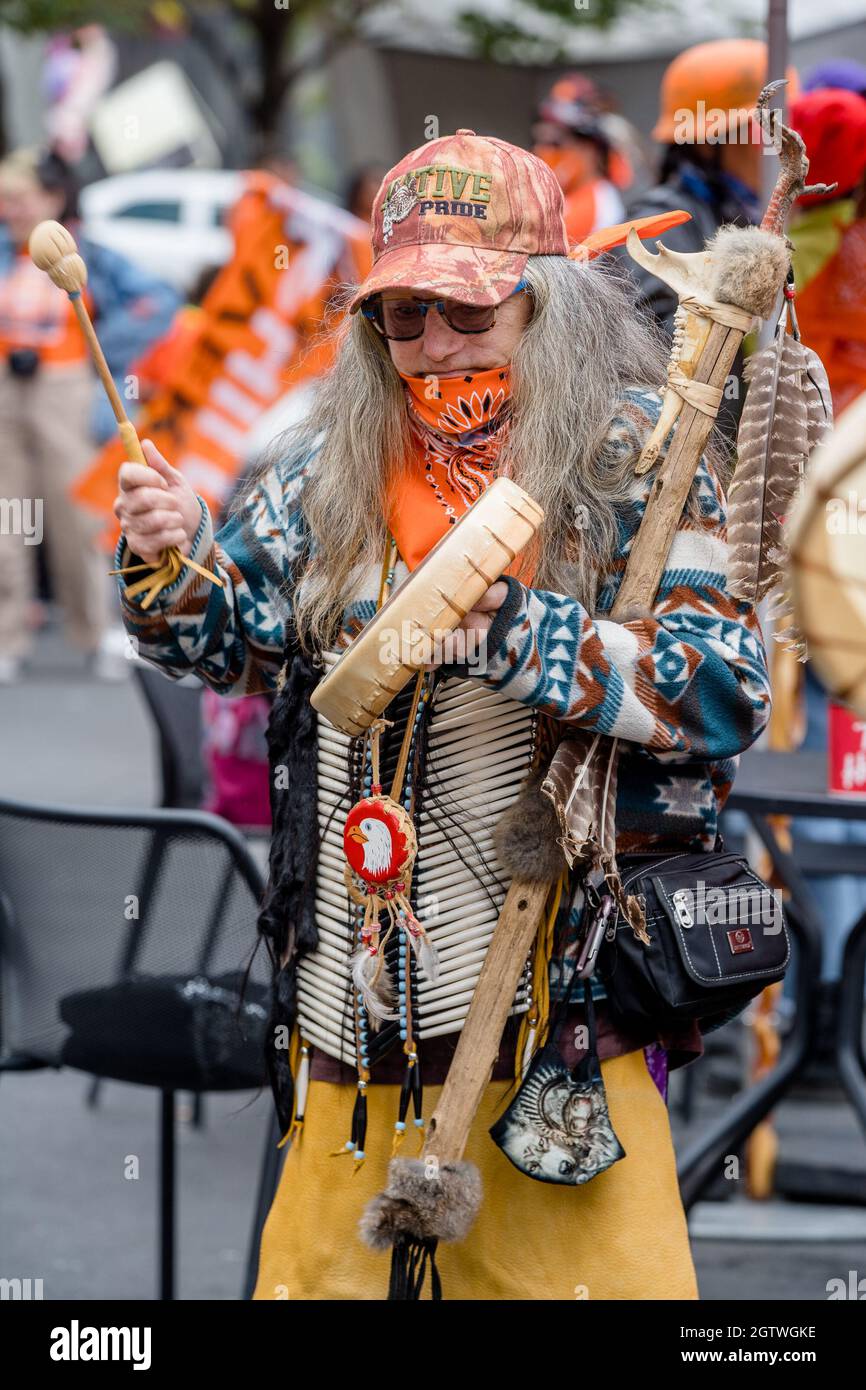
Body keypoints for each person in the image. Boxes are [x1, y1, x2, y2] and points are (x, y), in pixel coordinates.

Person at [112, 129, 771, 1300]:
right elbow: (230, 648)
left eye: (467, 313)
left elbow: (725, 691)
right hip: (343, 1043)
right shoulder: (326, 463)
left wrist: (522, 634)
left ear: (547, 304)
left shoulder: (638, 461)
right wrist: (172, 561)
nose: (430, 344)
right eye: (402, 315)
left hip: (555, 1043)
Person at [0, 146, 178, 682]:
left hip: (65, 390)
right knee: (11, 515)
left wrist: (101, 345)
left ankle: (97, 626)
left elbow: (158, 302)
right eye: (5, 200)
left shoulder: (88, 256)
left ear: (52, 198)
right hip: (8, 391)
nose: (11, 209)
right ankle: (9, 632)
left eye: (20, 198)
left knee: (77, 512)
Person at [533, 72, 626, 244]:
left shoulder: (594, 205)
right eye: (539, 143)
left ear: (588, 149)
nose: (542, 152)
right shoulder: (566, 199)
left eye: (555, 143)